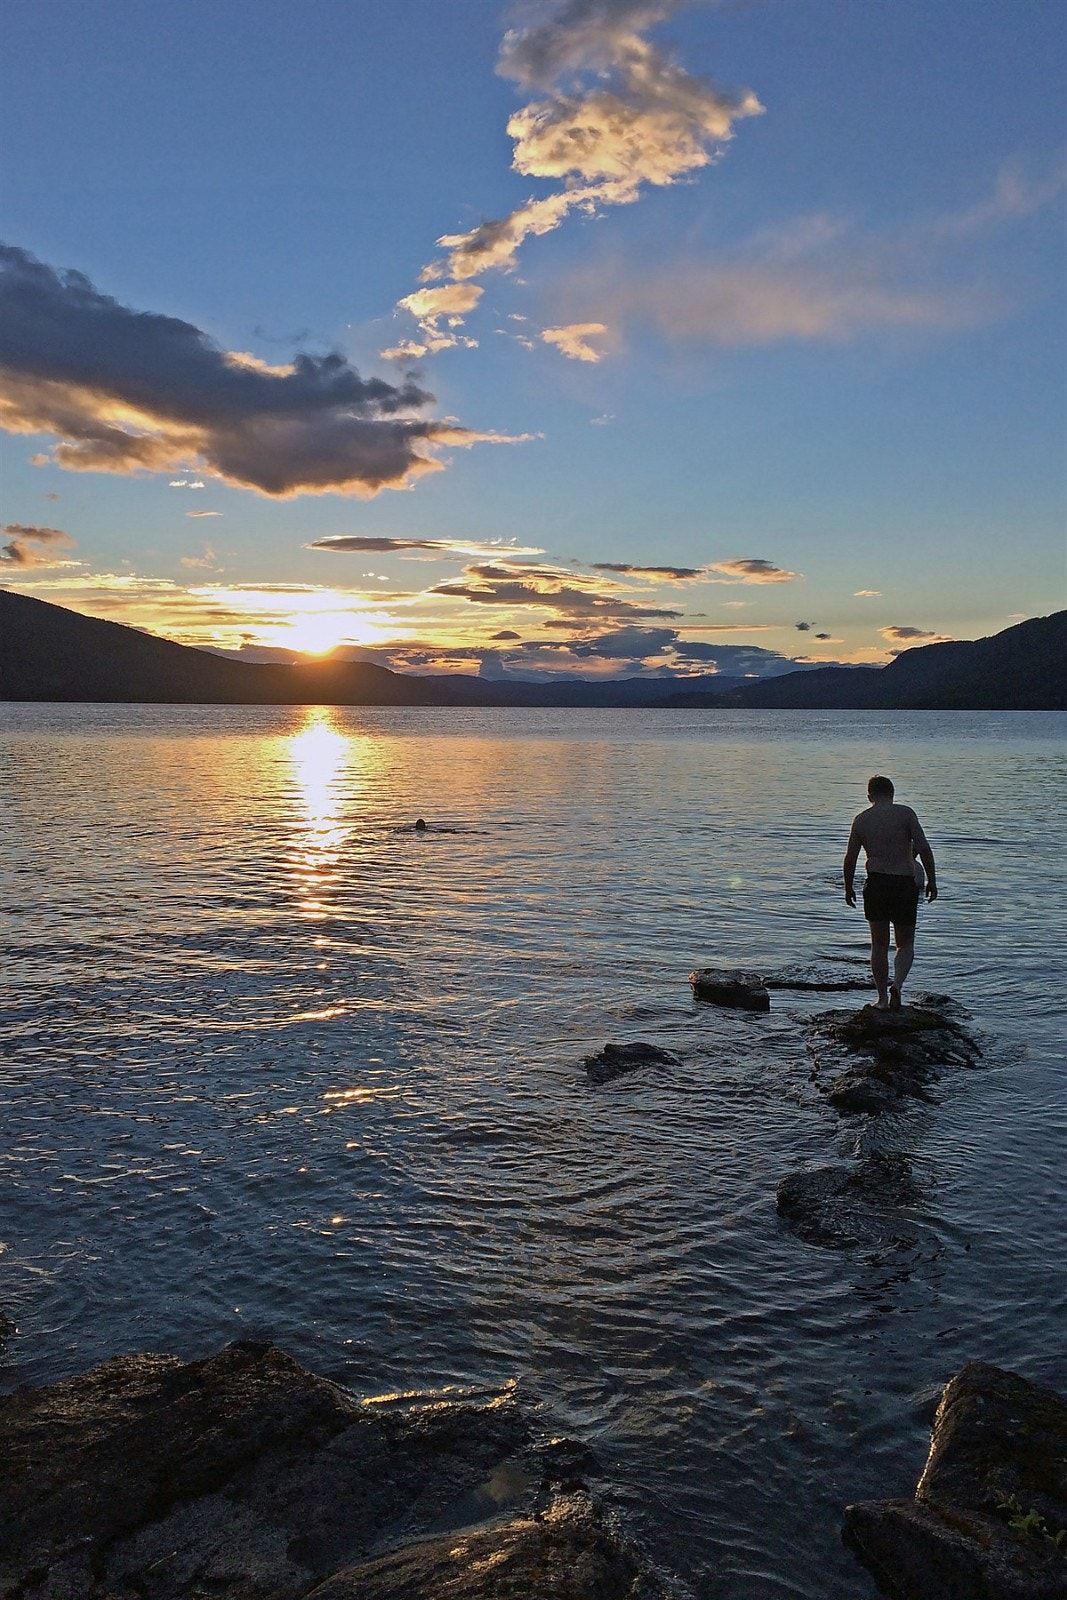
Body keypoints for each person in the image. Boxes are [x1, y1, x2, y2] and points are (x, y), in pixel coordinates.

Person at [843, 775, 938, 1009]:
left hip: (876, 884)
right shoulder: (905, 814)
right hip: (903, 884)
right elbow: (924, 848)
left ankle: (882, 1000)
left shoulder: (861, 820)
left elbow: (850, 858)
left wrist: (848, 887)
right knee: (905, 944)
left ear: (869, 796)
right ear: (892, 794)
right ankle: (897, 985)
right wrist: (932, 881)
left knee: (879, 945)